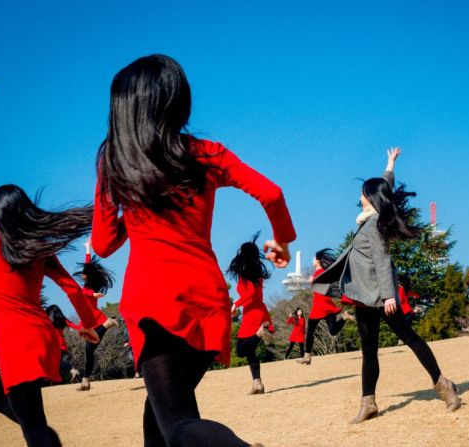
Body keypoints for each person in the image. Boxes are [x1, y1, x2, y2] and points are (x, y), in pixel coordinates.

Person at [92, 54, 294, 446]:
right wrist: (282, 239)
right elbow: (271, 192)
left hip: (154, 305)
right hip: (207, 302)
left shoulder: (115, 161)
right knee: (161, 426)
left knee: (179, 424)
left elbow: (103, 243)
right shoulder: (206, 153)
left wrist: (133, 209)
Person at [313, 148, 461, 423]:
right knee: (369, 351)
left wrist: (389, 296)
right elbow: (386, 188)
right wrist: (390, 165)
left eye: (362, 193)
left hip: (382, 297)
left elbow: (383, 261)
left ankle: (445, 386)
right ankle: (368, 402)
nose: (358, 197)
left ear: (369, 198)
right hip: (363, 297)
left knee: (410, 339)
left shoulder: (373, 226)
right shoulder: (370, 219)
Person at [0, 184, 100, 446]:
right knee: (6, 402)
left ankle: (46, 438)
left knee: (33, 427)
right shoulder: (38, 250)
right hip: (38, 338)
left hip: (13, 342)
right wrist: (88, 324)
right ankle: (47, 437)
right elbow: (72, 289)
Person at [229, 234, 275, 395]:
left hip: (253, 314)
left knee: (241, 350)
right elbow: (253, 294)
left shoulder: (245, 274)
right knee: (249, 351)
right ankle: (258, 384)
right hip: (258, 312)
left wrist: (235, 304)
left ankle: (259, 333)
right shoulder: (255, 273)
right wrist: (238, 305)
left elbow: (249, 295)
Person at [72, 238, 118, 391]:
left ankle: (108, 323)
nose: (83, 275)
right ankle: (85, 381)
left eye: (85, 274)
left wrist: (94, 295)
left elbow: (88, 293)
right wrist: (87, 249)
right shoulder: (87, 285)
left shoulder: (89, 288)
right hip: (88, 321)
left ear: (89, 276)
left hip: (94, 319)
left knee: (90, 347)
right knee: (89, 351)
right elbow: (88, 265)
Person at [298, 249, 354, 365]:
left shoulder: (320, 273)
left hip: (319, 306)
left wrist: (312, 281)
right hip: (327, 305)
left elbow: (321, 283)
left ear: (318, 261)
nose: (312, 260)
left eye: (314, 258)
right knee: (333, 331)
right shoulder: (322, 272)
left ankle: (307, 356)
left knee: (309, 332)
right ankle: (344, 317)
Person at [45, 305, 81, 383]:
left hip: (54, 346)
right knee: (59, 363)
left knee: (54, 362)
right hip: (62, 346)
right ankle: (72, 371)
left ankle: (72, 370)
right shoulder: (63, 320)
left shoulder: (48, 322)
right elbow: (76, 327)